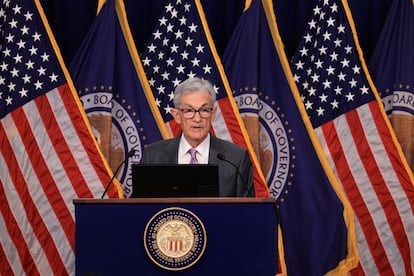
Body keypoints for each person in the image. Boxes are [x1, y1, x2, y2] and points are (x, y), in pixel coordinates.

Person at [140, 77, 255, 197]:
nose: (197, 119)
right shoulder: (153, 156)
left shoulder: (236, 159)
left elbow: (247, 211)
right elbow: (140, 208)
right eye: (189, 111)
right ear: (177, 115)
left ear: (213, 114)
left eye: (204, 110)